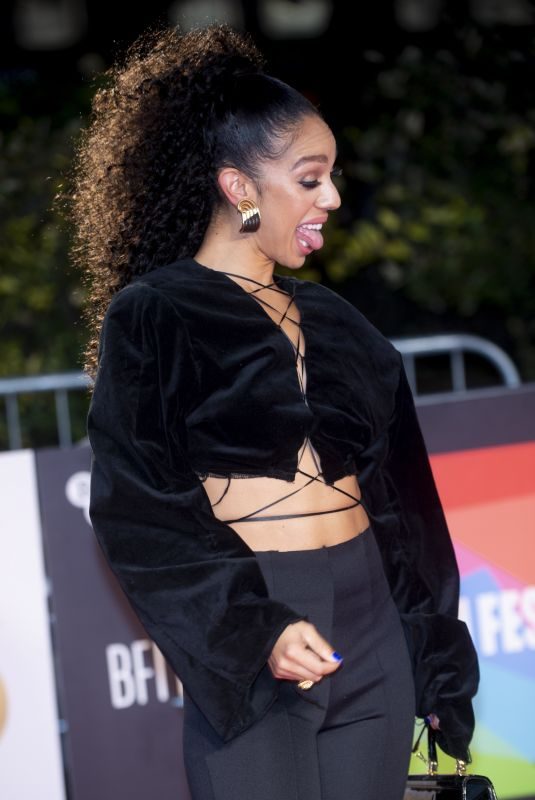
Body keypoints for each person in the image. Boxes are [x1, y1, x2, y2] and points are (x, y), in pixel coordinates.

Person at [71, 22, 479, 800]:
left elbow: (402, 511)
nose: (330, 196)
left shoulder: (340, 323)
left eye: (331, 177)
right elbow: (138, 508)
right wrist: (251, 629)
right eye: (309, 176)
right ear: (238, 187)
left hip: (373, 630)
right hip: (261, 632)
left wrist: (433, 657)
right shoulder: (155, 313)